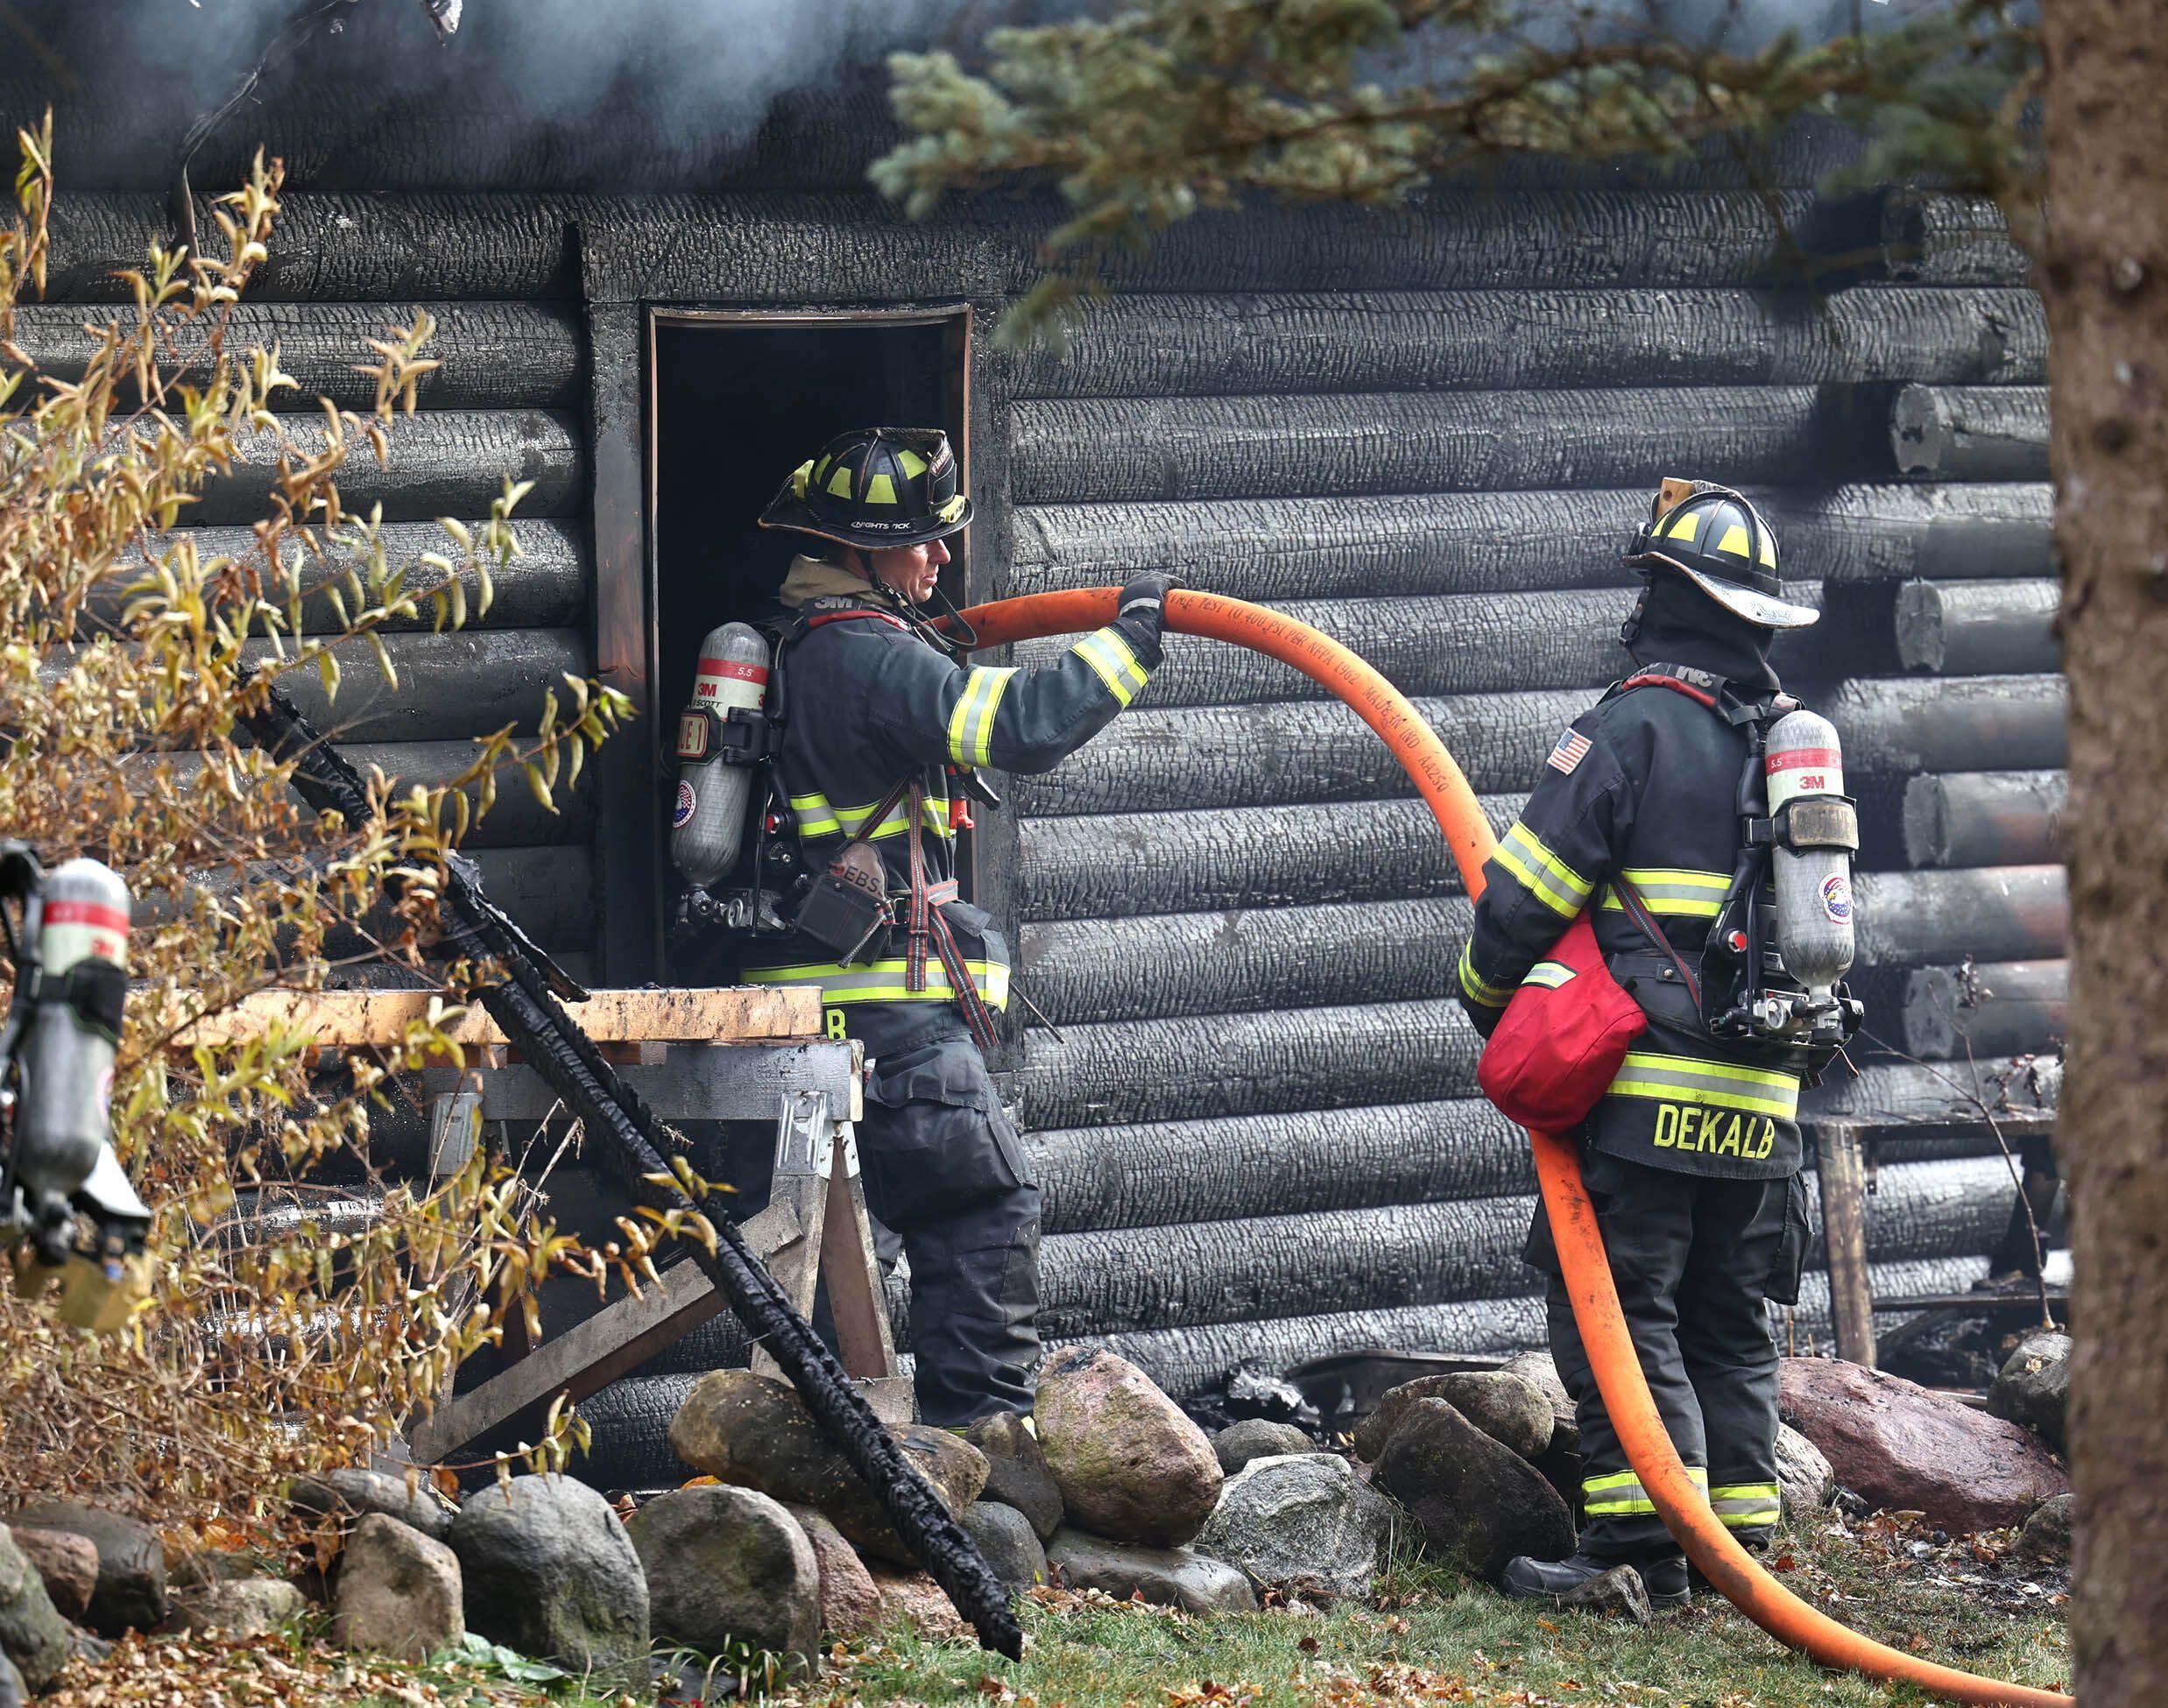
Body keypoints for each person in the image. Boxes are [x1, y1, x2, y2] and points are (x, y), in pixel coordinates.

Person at [739, 425, 1175, 1428]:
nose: (941, 558)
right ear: (857, 551)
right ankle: (979, 1456)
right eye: (923, 541)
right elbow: (1020, 726)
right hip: (896, 1020)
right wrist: (1130, 640)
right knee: (984, 1212)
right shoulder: (864, 652)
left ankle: (858, 1458)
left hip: (843, 1020)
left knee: (871, 1246)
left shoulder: (804, 644)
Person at [1454, 480, 1824, 1608]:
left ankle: (1642, 1556)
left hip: (1647, 1094)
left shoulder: (1630, 726)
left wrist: (1489, 1003)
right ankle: (1738, 1557)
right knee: (1728, 1319)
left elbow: (1519, 903)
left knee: (1620, 1311)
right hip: (1767, 1101)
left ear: (1662, 595)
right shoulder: (1792, 741)